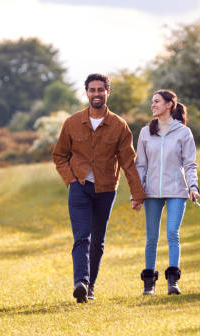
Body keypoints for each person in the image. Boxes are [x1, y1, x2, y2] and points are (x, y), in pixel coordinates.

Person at [52, 73, 146, 303]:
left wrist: (137, 193)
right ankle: (81, 283)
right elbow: (59, 156)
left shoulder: (119, 126)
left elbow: (128, 162)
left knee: (98, 240)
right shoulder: (72, 123)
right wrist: (71, 180)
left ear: (107, 92)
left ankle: (90, 286)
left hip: (106, 190)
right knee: (81, 236)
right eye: (92, 90)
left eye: (100, 90)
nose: (96, 94)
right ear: (86, 93)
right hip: (79, 187)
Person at [134, 89, 200, 295]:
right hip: (151, 192)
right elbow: (140, 166)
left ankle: (173, 282)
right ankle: (149, 284)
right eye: (152, 102)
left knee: (172, 233)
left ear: (170, 104)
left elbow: (190, 164)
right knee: (151, 238)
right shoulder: (146, 132)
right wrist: (136, 194)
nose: (152, 105)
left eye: (157, 102)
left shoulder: (183, 133)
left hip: (176, 191)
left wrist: (193, 186)